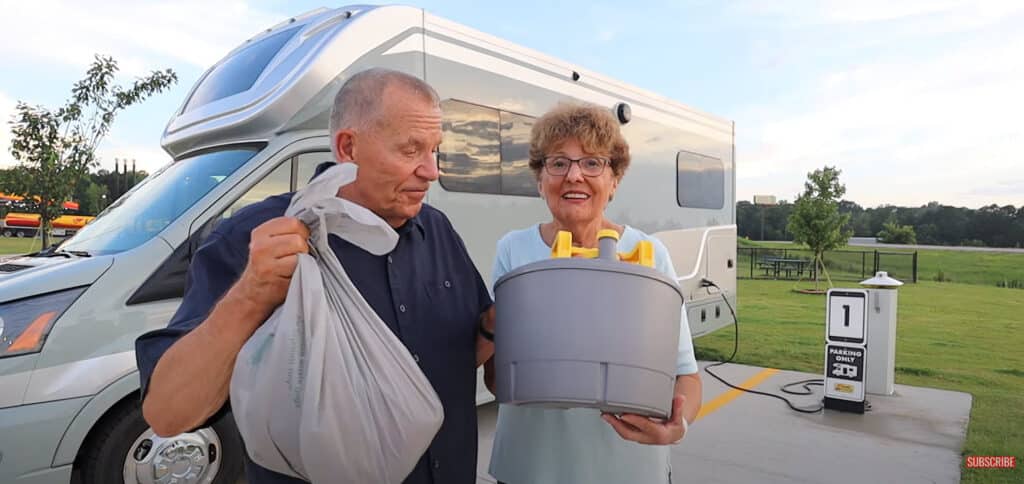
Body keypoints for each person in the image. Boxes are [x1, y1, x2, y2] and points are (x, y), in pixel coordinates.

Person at [136, 68, 496, 484]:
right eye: (411, 150)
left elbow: (453, 360)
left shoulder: (438, 231)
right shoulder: (256, 237)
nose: (431, 171)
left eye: (435, 151)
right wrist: (250, 296)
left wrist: (492, 329)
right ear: (348, 147)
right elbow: (168, 414)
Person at [485, 103, 703, 484]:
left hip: (628, 468)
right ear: (540, 179)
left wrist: (677, 426)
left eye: (592, 163)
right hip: (529, 467)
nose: (574, 176)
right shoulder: (513, 250)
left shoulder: (651, 255)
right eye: (558, 163)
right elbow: (497, 380)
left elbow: (686, 374)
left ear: (614, 180)